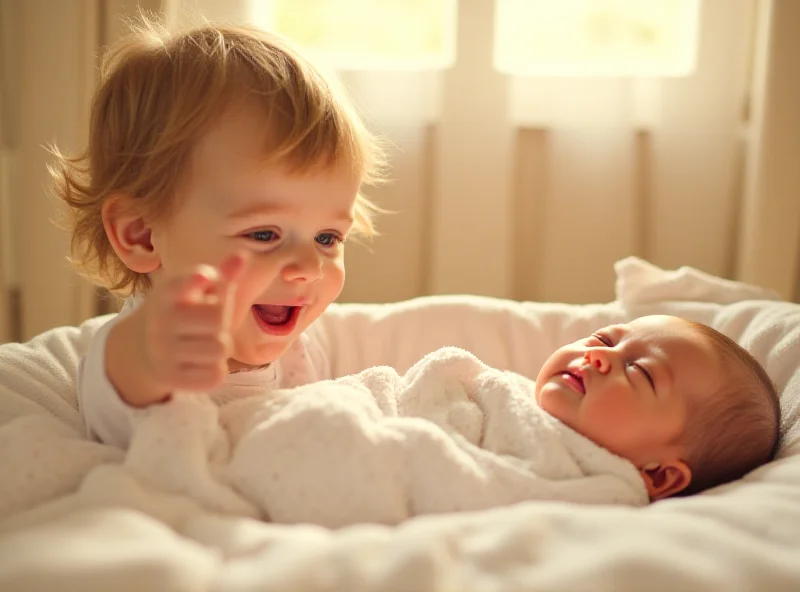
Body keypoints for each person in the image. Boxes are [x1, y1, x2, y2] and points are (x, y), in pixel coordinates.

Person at [50, 18, 386, 449]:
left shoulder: (301, 344)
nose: (307, 268)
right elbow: (126, 373)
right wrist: (146, 345)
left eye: (327, 238)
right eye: (264, 234)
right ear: (141, 235)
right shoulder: (143, 350)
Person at [534, 314, 782, 499]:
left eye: (640, 372)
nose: (598, 355)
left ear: (659, 474)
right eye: (604, 340)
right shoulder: (511, 390)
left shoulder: (595, 496)